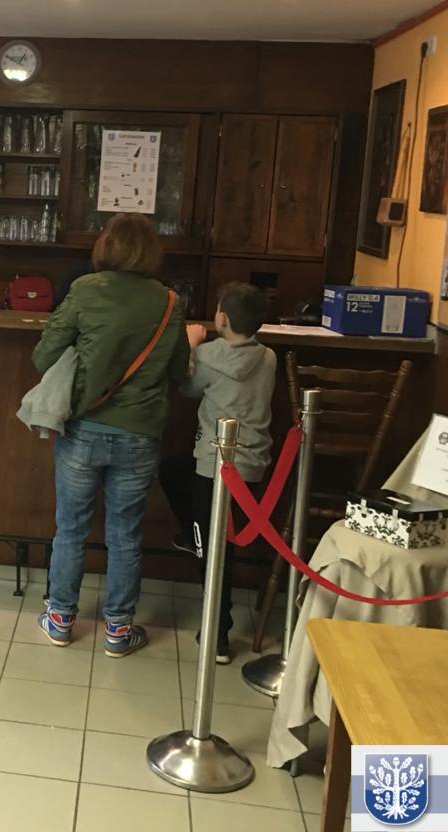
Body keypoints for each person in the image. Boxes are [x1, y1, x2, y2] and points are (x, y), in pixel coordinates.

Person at [31, 213, 189, 657]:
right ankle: (118, 630)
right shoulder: (169, 302)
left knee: (70, 528)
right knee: (125, 533)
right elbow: (180, 372)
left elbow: (43, 356)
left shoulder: (85, 290)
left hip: (84, 427)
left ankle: (60, 619)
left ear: (106, 247)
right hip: (140, 434)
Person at [158, 281, 275, 664]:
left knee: (213, 548)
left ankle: (218, 632)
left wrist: (191, 345)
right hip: (252, 465)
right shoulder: (269, 358)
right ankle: (191, 536)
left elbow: (188, 387)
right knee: (177, 475)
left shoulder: (208, 354)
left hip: (215, 463)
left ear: (221, 318)